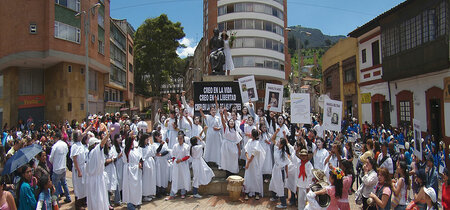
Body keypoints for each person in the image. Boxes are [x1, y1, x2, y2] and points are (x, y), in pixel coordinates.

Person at [85, 129, 112, 210]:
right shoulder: (94, 152)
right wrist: (109, 133)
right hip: (97, 180)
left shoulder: (88, 153)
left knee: (95, 199)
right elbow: (102, 143)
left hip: (93, 179)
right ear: (94, 145)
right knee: (99, 199)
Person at [166, 131, 191, 200]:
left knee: (183, 178)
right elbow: (173, 155)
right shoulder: (175, 146)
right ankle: (172, 193)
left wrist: (181, 160)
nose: (180, 140)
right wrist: (175, 161)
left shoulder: (186, 146)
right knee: (175, 178)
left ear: (183, 139)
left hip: (183, 164)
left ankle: (183, 193)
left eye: (181, 138)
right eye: (179, 138)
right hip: (176, 164)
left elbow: (187, 156)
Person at [243, 129, 266, 200]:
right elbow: (246, 150)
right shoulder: (249, 141)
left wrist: (248, 162)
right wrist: (247, 157)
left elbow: (253, 154)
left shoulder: (257, 143)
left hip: (254, 163)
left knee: (256, 177)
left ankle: (257, 193)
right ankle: (247, 193)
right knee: (248, 177)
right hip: (248, 161)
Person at [49, 131, 71, 203]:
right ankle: (68, 197)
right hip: (63, 167)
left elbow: (51, 158)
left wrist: (54, 162)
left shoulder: (55, 146)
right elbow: (67, 152)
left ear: (57, 138)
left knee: (54, 186)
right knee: (64, 183)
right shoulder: (65, 144)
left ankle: (56, 202)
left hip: (57, 168)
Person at [268, 138, 290, 209]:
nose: (277, 142)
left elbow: (286, 164)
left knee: (280, 186)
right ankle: (275, 197)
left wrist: (287, 173)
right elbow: (272, 139)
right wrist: (276, 131)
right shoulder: (276, 148)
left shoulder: (284, 153)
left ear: (282, 145)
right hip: (275, 169)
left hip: (280, 171)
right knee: (273, 183)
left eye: (279, 142)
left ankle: (283, 203)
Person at [122, 135, 143, 209]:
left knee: (137, 187)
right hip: (130, 171)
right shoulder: (126, 151)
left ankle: (136, 202)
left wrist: (140, 163)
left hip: (136, 171)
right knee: (130, 188)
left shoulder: (135, 150)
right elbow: (127, 147)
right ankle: (130, 204)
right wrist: (131, 137)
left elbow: (140, 158)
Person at [70, 130, 88, 210]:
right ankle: (78, 205)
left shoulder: (80, 143)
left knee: (83, 186)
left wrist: (90, 126)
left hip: (83, 167)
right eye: (80, 135)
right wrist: (79, 171)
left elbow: (84, 133)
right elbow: (75, 159)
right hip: (78, 168)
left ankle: (83, 202)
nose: (82, 135)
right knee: (78, 187)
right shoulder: (75, 146)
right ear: (77, 137)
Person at [219, 110, 241, 177]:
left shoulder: (235, 131)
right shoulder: (226, 128)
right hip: (226, 147)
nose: (232, 122)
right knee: (226, 160)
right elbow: (223, 122)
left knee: (233, 160)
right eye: (230, 121)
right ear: (228, 123)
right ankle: (227, 174)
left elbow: (237, 142)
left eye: (233, 122)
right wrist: (221, 115)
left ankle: (233, 173)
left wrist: (239, 150)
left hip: (233, 147)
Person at [140, 133, 156, 202]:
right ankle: (145, 194)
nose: (148, 140)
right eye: (146, 139)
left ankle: (150, 193)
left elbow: (153, 153)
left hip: (151, 162)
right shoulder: (141, 148)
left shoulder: (149, 146)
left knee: (151, 178)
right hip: (146, 163)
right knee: (146, 180)